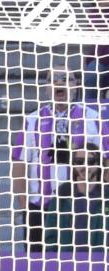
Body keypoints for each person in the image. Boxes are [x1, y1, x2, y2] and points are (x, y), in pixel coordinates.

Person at [11, 65, 101, 252]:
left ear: (76, 86)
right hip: (40, 206)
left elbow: (105, 159)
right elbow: (19, 162)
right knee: (37, 264)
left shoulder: (93, 118)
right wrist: (24, 204)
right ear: (46, 88)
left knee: (78, 262)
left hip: (80, 207)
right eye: (54, 80)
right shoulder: (32, 120)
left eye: (66, 79)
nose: (60, 83)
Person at [44, 143, 107, 251]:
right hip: (67, 260)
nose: (85, 166)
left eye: (91, 161)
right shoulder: (61, 197)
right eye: (79, 161)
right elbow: (50, 238)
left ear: (99, 164)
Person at [84, 0, 109, 100]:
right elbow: (97, 31)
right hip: (101, 60)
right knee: (92, 74)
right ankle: (90, 104)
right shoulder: (94, 13)